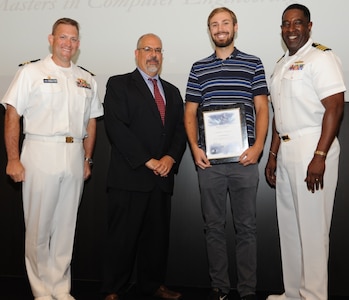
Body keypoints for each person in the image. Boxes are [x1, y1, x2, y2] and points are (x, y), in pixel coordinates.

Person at [1, 18, 104, 300]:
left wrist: (87, 159)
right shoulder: (31, 72)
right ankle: (41, 289)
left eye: (73, 39)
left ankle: (60, 287)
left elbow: (92, 121)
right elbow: (13, 114)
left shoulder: (86, 78)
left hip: (73, 154)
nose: (67, 43)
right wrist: (13, 158)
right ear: (51, 39)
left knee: (66, 225)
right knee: (39, 225)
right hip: (39, 150)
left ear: (78, 44)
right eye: (62, 37)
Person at [184, 7, 269, 300]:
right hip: (210, 162)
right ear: (209, 30)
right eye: (214, 24)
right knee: (213, 227)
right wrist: (195, 148)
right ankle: (219, 287)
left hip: (245, 160)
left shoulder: (253, 63)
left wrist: (258, 147)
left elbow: (261, 108)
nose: (220, 28)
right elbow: (190, 111)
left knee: (247, 228)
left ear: (235, 26)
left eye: (224, 23)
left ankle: (246, 291)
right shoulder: (198, 68)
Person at [265, 4, 345, 300]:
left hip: (313, 146)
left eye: (297, 23)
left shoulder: (321, 57)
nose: (291, 29)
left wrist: (320, 155)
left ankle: (313, 295)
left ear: (309, 26)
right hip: (286, 150)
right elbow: (279, 114)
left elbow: (335, 106)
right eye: (286, 24)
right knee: (290, 228)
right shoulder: (282, 63)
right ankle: (293, 293)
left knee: (312, 230)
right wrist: (272, 156)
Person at [101, 33, 186, 300]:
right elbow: (117, 128)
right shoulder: (119, 84)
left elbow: (179, 131)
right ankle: (112, 288)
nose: (153, 55)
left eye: (158, 50)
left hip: (161, 179)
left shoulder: (171, 91)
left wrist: (170, 158)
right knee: (121, 239)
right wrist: (147, 160)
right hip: (130, 176)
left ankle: (153, 285)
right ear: (136, 53)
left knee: (156, 240)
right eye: (147, 49)